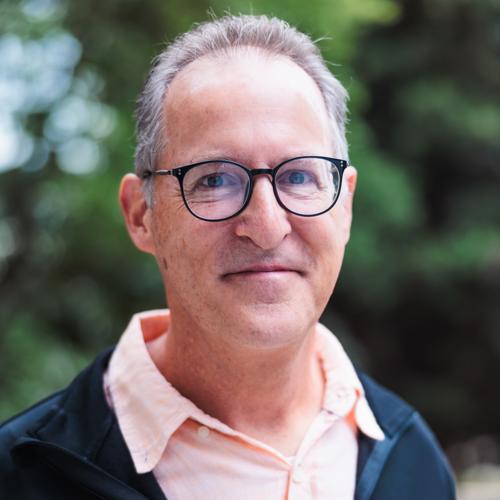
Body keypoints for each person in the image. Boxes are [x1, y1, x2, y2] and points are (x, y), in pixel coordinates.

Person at [0, 14, 455, 500]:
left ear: (344, 206)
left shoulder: (414, 462)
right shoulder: (22, 478)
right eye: (214, 179)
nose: (266, 226)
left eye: (299, 177)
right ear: (141, 215)